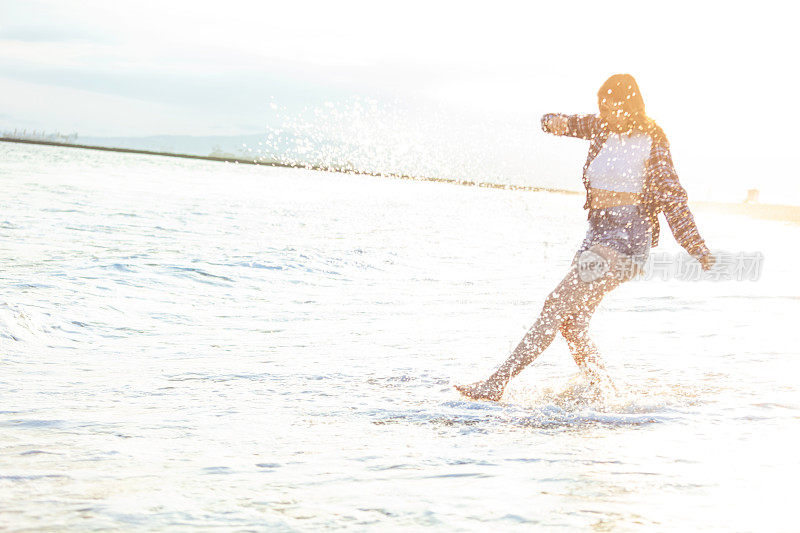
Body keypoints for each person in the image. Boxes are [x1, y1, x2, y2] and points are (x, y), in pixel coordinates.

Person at [455, 73, 716, 402]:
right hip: (597, 233)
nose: (604, 115)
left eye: (610, 108)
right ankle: (608, 393)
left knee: (555, 304)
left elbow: (673, 198)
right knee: (572, 325)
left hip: (626, 238)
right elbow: (566, 122)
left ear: (629, 106)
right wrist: (553, 122)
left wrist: (697, 248)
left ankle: (496, 383)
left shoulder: (653, 139)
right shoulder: (603, 127)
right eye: (601, 108)